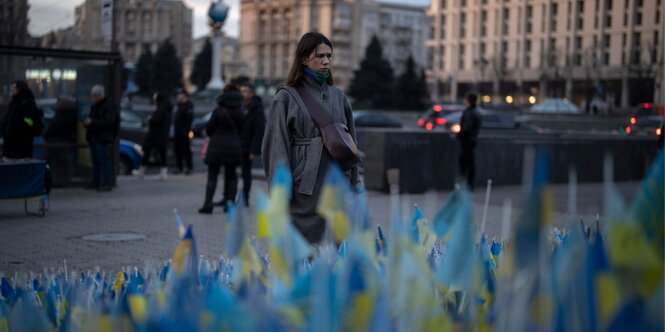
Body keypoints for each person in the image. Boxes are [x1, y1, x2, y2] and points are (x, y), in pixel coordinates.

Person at [261, 32, 361, 244]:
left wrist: (354, 184)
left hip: (337, 184)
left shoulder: (338, 96)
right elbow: (276, 147)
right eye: (320, 56)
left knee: (336, 248)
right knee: (303, 251)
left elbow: (351, 143)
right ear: (305, 58)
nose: (326, 61)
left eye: (329, 56)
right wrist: (280, 194)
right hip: (303, 187)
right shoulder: (286, 97)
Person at [198, 87, 245, 214]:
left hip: (216, 148)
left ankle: (208, 204)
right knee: (231, 177)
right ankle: (230, 205)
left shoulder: (218, 111)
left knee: (212, 177)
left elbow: (209, 129)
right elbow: (242, 130)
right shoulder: (241, 113)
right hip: (233, 147)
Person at [84, 85, 119, 192]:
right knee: (97, 161)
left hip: (102, 137)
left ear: (99, 95)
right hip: (95, 136)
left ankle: (106, 183)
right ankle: (97, 182)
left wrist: (92, 122)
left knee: (103, 161)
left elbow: (109, 121)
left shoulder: (108, 106)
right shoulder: (97, 106)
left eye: (94, 96)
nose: (93, 98)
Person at [236, 83, 265, 206]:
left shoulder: (256, 108)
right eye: (241, 91)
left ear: (251, 93)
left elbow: (259, 130)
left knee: (245, 173)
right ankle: (234, 197)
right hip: (237, 145)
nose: (243, 94)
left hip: (248, 147)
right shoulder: (239, 106)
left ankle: (245, 198)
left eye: (246, 91)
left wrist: (253, 150)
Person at [135, 91, 172, 180]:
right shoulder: (167, 107)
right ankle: (163, 173)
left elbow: (156, 120)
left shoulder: (160, 108)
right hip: (162, 134)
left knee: (146, 151)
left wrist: (150, 119)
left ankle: (141, 172)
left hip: (155, 134)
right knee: (161, 153)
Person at [1, 80, 43, 159]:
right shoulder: (14, 102)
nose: (12, 90)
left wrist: (18, 125)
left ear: (20, 89)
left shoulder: (27, 102)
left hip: (21, 143)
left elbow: (30, 121)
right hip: (11, 142)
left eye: (14, 88)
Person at [44, 95, 76, 186]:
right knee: (60, 162)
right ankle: (60, 179)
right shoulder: (67, 113)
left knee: (58, 161)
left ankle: (58, 180)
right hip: (61, 140)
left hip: (58, 140)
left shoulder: (63, 113)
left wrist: (47, 133)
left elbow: (57, 127)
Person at [457, 92, 482, 191]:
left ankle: (465, 185)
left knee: (464, 163)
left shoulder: (469, 112)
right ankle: (468, 185)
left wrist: (459, 135)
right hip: (471, 141)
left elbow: (466, 128)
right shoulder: (476, 112)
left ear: (468, 101)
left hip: (467, 141)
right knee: (470, 162)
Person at [173, 88, 194, 175]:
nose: (177, 96)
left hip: (185, 132)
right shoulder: (178, 105)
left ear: (184, 95)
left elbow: (189, 119)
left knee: (186, 150)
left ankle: (189, 167)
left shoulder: (189, 105)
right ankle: (180, 167)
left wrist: (186, 131)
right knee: (178, 150)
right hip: (177, 131)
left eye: (179, 94)